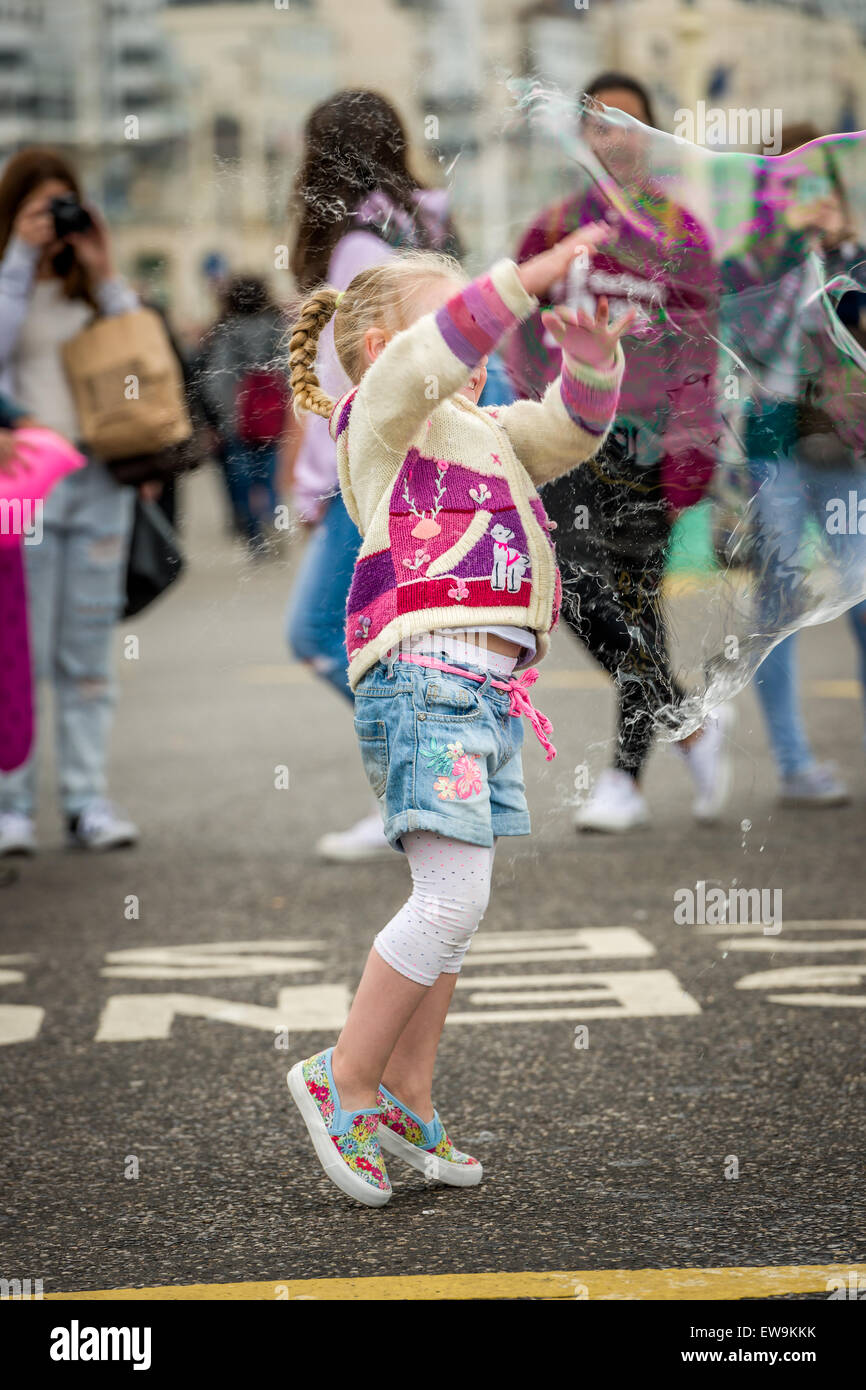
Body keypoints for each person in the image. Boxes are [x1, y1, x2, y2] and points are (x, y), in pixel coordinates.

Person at [285, 226, 632, 1204]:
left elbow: (566, 430)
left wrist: (591, 361)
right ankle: (341, 1078)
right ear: (380, 350)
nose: (477, 353)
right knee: (449, 900)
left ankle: (405, 1088)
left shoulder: (485, 431)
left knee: (455, 913)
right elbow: (425, 359)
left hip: (484, 699)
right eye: (457, 331)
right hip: (425, 684)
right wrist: (517, 282)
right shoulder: (379, 423)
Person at [506, 73, 731, 833]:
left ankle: (626, 782)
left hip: (648, 448)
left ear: (652, 136)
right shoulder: (555, 228)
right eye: (599, 125)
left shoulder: (682, 236)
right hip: (567, 439)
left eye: (630, 123)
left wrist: (691, 450)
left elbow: (701, 355)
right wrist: (531, 415)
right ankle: (690, 722)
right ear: (582, 139)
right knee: (571, 584)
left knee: (639, 610)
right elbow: (516, 321)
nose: (615, 137)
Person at [284, 89, 462, 862]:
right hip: (405, 461)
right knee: (382, 635)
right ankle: (422, 780)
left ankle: (421, 775)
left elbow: (347, 378)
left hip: (364, 470)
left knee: (321, 633)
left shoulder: (358, 245)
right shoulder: (419, 225)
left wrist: (312, 484)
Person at [0, 148, 140, 856]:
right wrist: (18, 260)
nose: (53, 223)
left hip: (98, 478)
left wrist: (103, 263)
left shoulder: (91, 286)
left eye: (64, 208)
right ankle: (11, 805)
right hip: (22, 481)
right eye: (39, 210)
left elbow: (142, 354)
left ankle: (86, 800)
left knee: (86, 655)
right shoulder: (8, 281)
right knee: (17, 653)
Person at [723, 124, 866, 805]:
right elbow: (753, 344)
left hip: (848, 451)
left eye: (818, 181)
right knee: (778, 605)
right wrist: (793, 252)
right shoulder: (750, 264)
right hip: (775, 448)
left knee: (864, 601)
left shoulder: (857, 259)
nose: (807, 196)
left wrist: (842, 253)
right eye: (791, 182)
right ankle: (794, 764)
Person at [193, 274, 287, 555]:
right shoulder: (277, 326)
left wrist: (224, 418)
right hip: (272, 419)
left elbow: (215, 379)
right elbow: (290, 370)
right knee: (269, 475)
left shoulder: (224, 331)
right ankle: (271, 518)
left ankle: (255, 536)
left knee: (242, 479)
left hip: (237, 423)